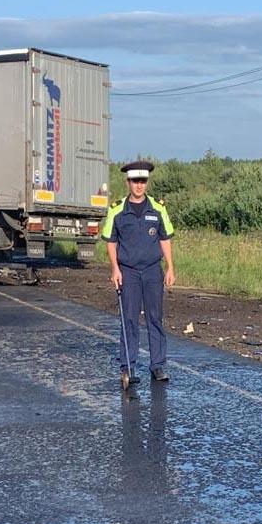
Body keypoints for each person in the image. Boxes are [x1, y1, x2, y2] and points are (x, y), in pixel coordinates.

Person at [101, 160, 176, 389]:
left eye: (143, 181)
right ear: (128, 182)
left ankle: (158, 365)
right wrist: (115, 268)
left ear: (147, 182)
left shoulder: (158, 208)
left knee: (155, 318)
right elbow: (111, 242)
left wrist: (171, 267)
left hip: (153, 271)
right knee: (129, 320)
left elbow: (165, 239)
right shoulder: (116, 210)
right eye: (135, 181)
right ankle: (128, 366)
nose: (139, 186)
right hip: (129, 272)